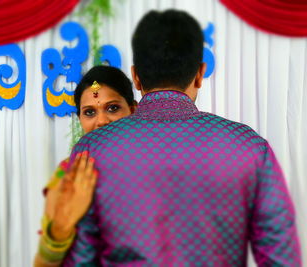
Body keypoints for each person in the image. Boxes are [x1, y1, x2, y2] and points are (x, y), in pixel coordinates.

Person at [62, 9, 302, 266]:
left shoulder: (91, 151)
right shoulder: (249, 148)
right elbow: (281, 257)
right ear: (200, 73)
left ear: (136, 77)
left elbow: (79, 257)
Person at [33, 65, 137, 267]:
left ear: (133, 109)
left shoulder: (152, 163)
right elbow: (44, 264)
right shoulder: (68, 174)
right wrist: (62, 227)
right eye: (89, 112)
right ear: (80, 119)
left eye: (112, 108)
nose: (101, 121)